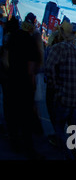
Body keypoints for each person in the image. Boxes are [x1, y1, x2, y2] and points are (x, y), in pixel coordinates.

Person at [45, 20, 76, 160]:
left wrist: (56, 85)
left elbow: (49, 68)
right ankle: (75, 151)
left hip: (62, 95)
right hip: (75, 96)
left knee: (59, 125)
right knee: (73, 125)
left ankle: (66, 154)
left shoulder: (57, 48)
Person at [3, 13, 43, 159]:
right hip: (24, 83)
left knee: (12, 114)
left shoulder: (13, 37)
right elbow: (30, 69)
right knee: (25, 116)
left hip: (11, 80)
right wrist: (32, 83)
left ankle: (14, 143)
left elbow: (5, 59)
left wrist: (10, 72)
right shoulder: (31, 41)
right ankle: (29, 149)